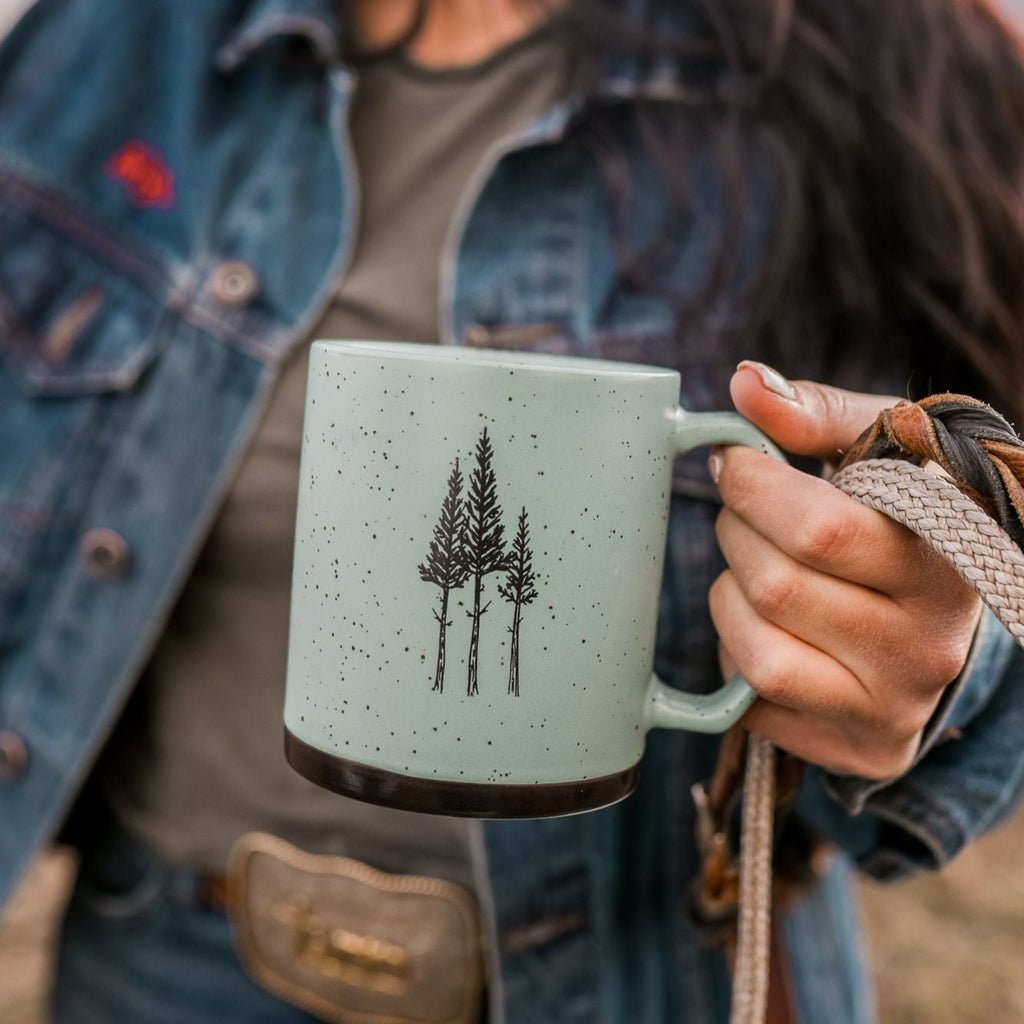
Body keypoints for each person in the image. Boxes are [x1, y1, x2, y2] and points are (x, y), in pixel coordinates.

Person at [1, 1, 1024, 1022]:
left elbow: (993, 534)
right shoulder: (119, 40)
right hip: (161, 958)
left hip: (648, 979)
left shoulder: (893, 65)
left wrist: (940, 642)